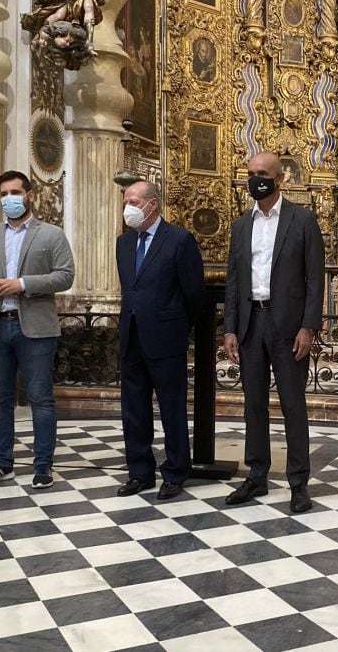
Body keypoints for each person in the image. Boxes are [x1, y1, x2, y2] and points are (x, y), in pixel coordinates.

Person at [223, 152, 325, 513]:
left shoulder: (302, 220)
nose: (256, 180)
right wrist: (230, 328)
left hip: (288, 326)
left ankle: (299, 482)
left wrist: (308, 326)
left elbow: (315, 278)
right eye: (251, 174)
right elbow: (234, 282)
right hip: (252, 324)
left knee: (293, 405)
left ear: (280, 178)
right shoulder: (240, 225)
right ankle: (256, 475)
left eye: (263, 174)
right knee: (253, 405)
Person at [0, 171, 75, 490]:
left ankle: (43, 466)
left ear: (30, 195)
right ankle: (1, 463)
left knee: (41, 399)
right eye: (3, 193)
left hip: (36, 329)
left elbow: (65, 276)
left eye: (15, 192)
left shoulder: (51, 234)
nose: (8, 198)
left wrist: (24, 284)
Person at [115, 182, 205, 499]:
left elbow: (194, 293)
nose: (128, 207)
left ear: (152, 205)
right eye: (125, 200)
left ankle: (175, 472)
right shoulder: (123, 243)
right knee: (134, 410)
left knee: (171, 409)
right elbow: (131, 290)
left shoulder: (179, 240)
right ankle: (140, 472)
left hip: (166, 338)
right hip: (132, 337)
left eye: (133, 201)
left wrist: (177, 325)